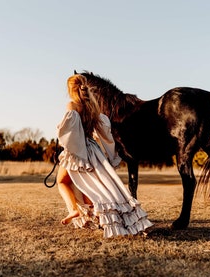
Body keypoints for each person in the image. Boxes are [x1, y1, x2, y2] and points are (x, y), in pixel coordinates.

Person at [56, 74, 153, 238]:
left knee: (61, 181)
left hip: (79, 149)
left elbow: (71, 131)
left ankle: (74, 210)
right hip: (93, 150)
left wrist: (63, 139)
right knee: (90, 186)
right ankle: (98, 217)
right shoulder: (93, 106)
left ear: (71, 89)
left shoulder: (72, 105)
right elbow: (103, 131)